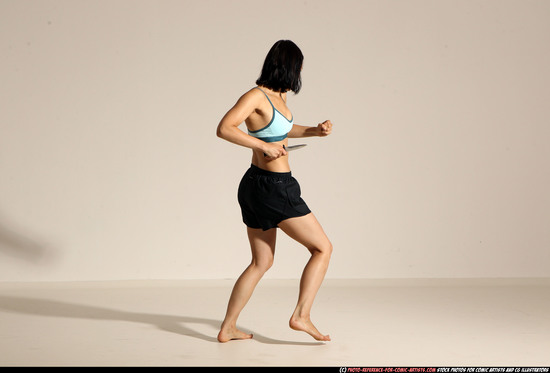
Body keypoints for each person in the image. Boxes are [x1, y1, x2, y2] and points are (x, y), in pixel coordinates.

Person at [215, 40, 333, 343]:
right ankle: (301, 316)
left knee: (261, 262)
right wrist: (261, 145)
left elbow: (282, 131)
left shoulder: (279, 99)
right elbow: (225, 127)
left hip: (257, 186)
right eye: (300, 66)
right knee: (323, 248)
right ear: (290, 67)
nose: (302, 71)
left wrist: (314, 132)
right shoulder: (256, 96)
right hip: (275, 189)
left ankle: (228, 327)